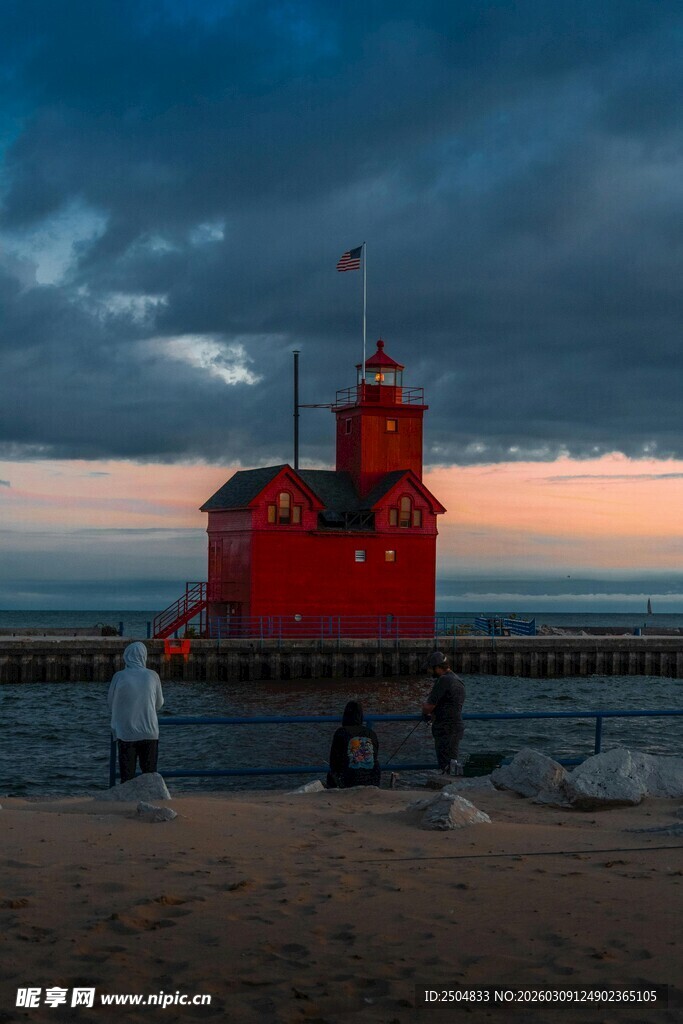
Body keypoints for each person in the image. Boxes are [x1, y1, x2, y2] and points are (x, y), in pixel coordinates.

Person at [108, 641, 164, 783]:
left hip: (126, 732)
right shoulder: (153, 675)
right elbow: (159, 703)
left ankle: (126, 804)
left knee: (127, 778)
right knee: (150, 776)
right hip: (150, 732)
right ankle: (150, 803)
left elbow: (110, 701)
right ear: (144, 656)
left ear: (126, 656)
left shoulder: (119, 676)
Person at [421, 651, 465, 774]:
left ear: (438, 667)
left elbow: (428, 707)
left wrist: (424, 708)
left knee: (446, 766)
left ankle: (447, 791)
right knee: (452, 764)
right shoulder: (457, 680)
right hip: (455, 727)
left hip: (445, 729)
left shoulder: (443, 681)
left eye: (431, 669)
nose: (430, 672)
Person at [327, 701, 380, 789]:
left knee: (333, 772)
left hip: (348, 782)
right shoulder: (371, 733)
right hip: (371, 781)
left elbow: (334, 762)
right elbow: (375, 756)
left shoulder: (341, 732)